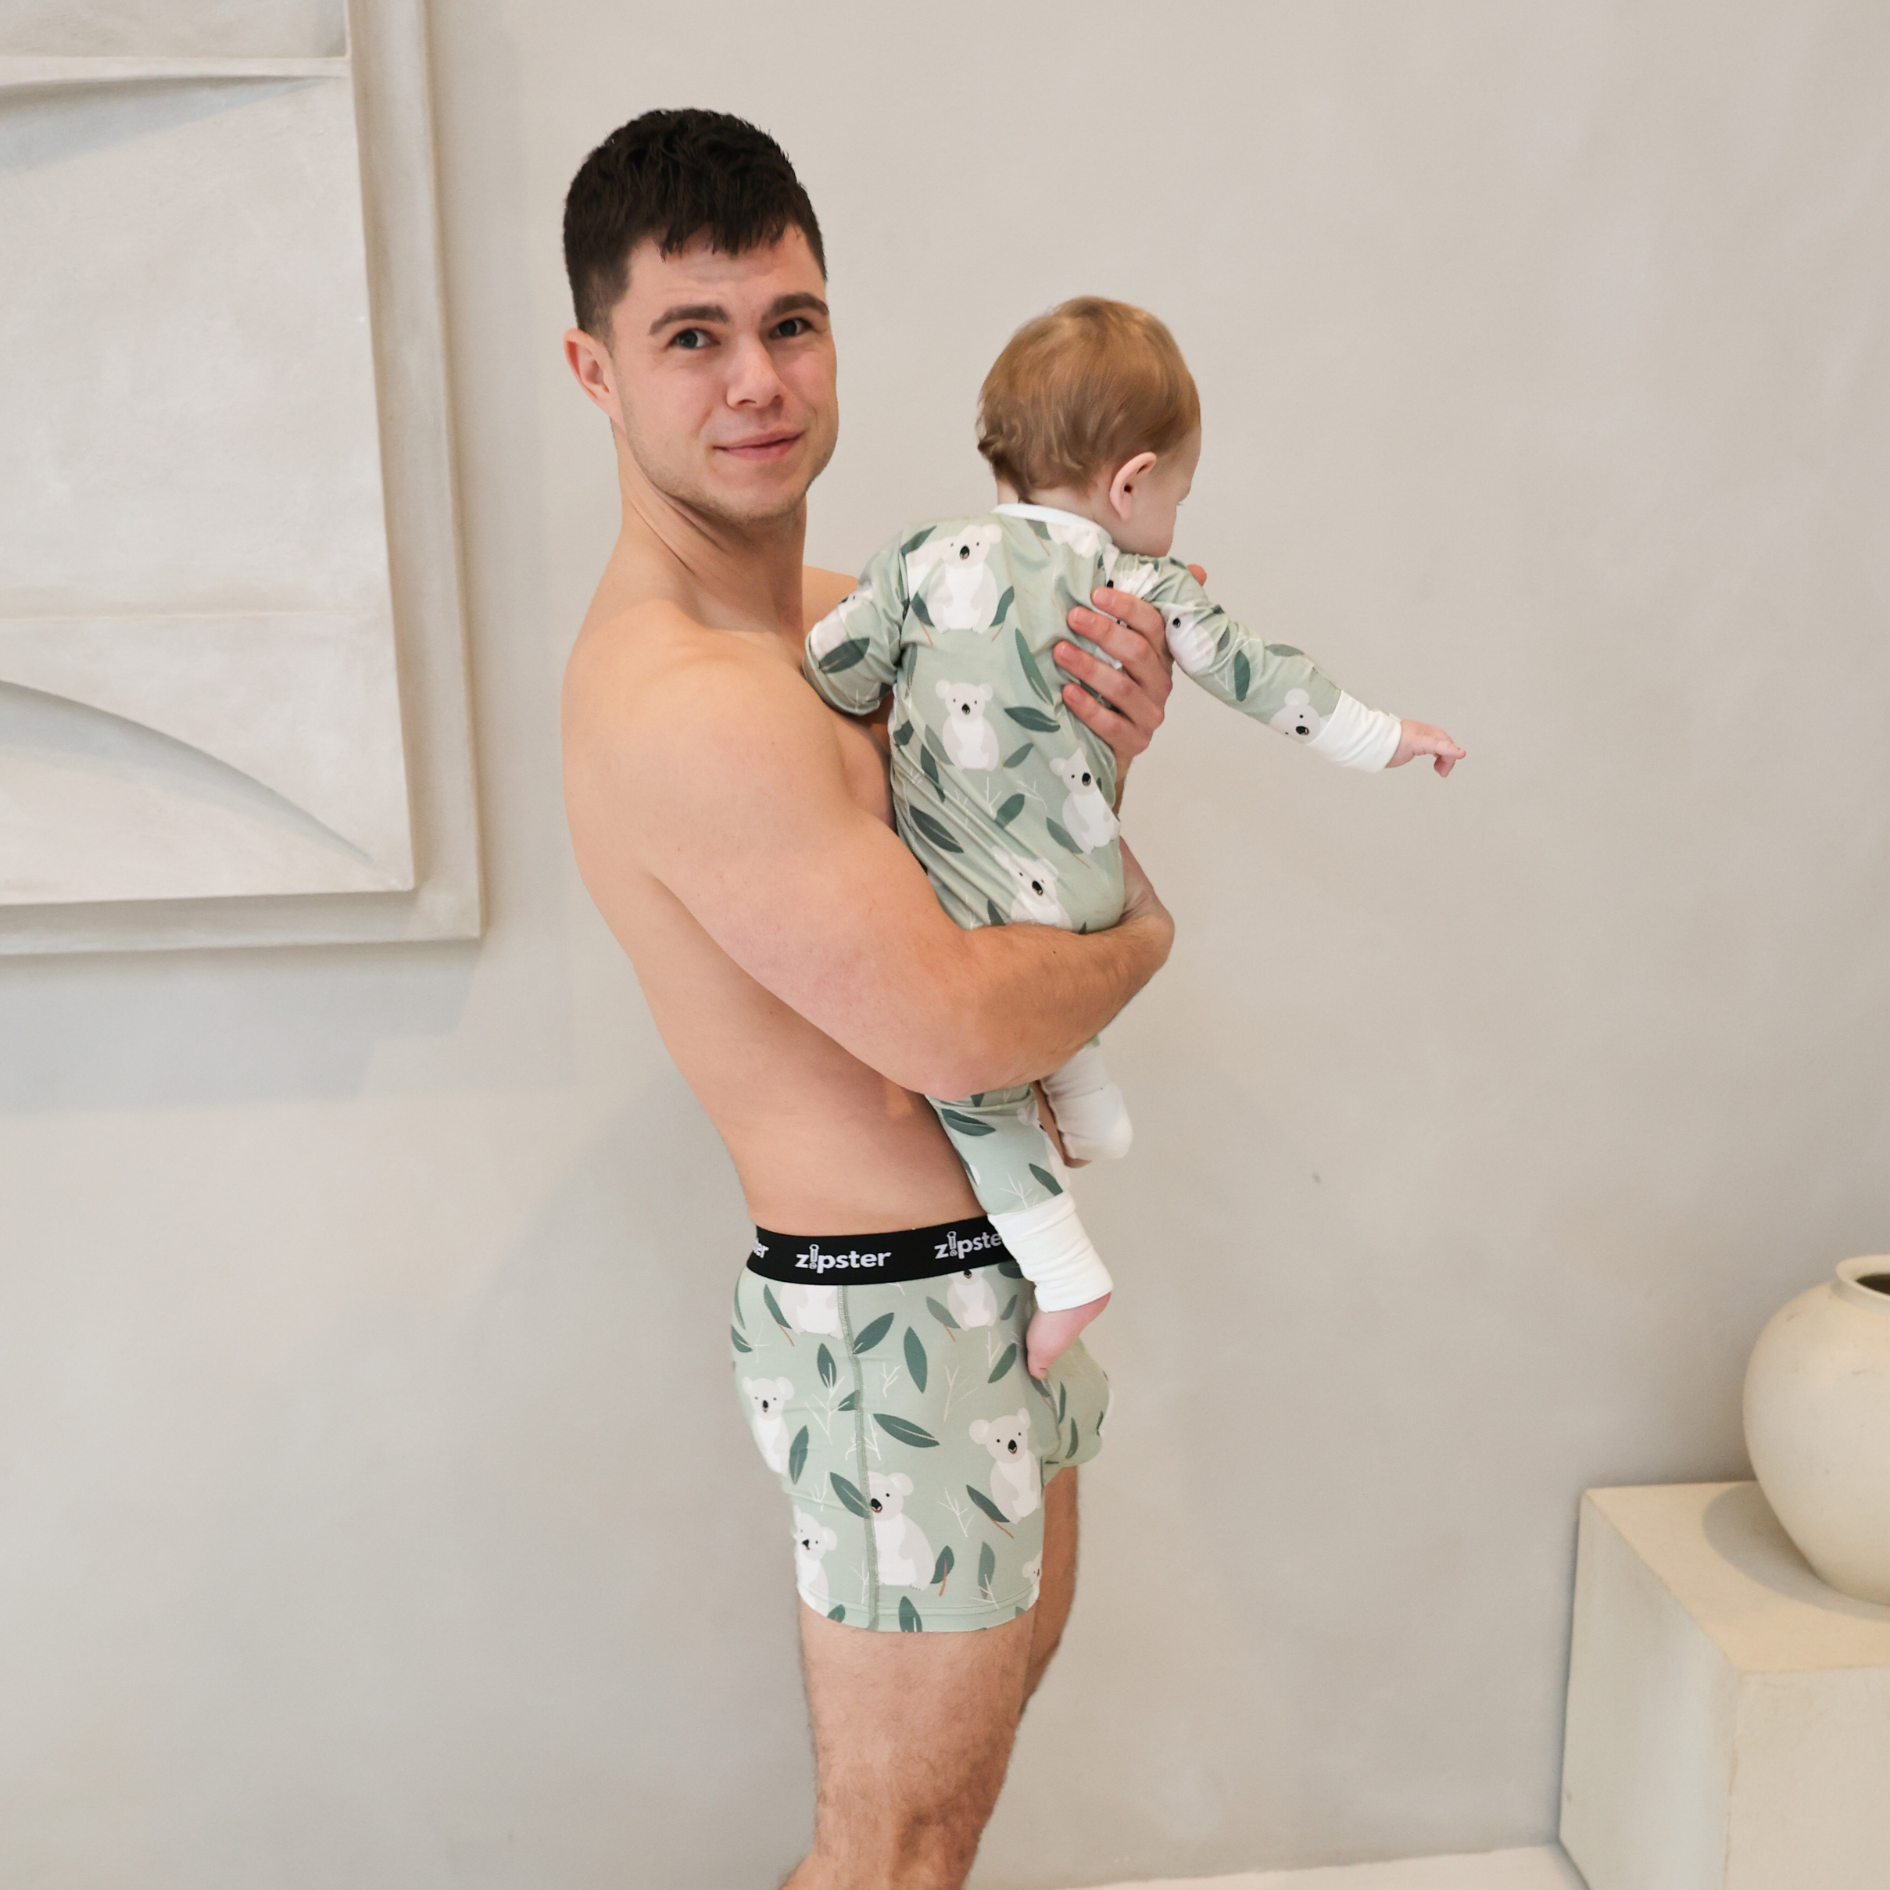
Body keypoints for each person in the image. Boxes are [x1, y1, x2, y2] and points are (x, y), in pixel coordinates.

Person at [558, 110, 1182, 1890]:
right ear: (596, 370)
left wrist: (1108, 746)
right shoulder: (689, 698)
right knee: (893, 1847)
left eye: (791, 322)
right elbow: (964, 1024)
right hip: (887, 1314)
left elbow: (1013, 873)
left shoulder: (849, 625)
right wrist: (1146, 933)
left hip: (995, 1276)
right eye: (692, 336)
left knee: (942, 1822)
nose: (757, 380)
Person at [801, 297, 1465, 1376]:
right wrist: (1386, 736)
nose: (1173, 522)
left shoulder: (918, 559)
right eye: (1178, 499)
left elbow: (833, 673)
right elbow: (1265, 679)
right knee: (1051, 965)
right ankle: (1090, 1104)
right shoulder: (1138, 582)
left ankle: (1066, 1274)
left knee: (972, 1090)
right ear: (1131, 483)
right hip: (1088, 877)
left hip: (977, 896)